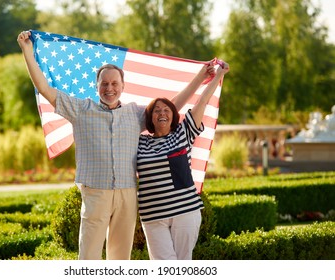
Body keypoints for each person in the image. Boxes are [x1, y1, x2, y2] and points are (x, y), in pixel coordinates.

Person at [17, 30, 216, 260]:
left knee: (120, 258)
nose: (109, 88)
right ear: (97, 86)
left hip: (127, 193)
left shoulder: (135, 114)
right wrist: (27, 52)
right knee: (89, 257)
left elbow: (171, 107)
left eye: (114, 83)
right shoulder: (81, 110)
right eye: (104, 84)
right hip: (95, 192)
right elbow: (45, 89)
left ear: (122, 86)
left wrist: (201, 77)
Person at [137, 60, 229, 260]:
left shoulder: (183, 132)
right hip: (153, 216)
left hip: (186, 211)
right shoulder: (139, 142)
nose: (162, 113)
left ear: (173, 115)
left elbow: (201, 102)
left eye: (166, 109)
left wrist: (218, 76)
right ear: (150, 118)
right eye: (157, 110)